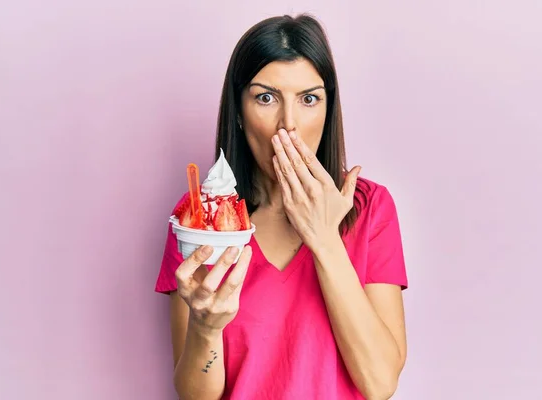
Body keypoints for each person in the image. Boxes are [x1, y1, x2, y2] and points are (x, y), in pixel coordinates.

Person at [155, 13, 409, 400]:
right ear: (238, 112)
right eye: (266, 97)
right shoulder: (200, 219)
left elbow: (379, 384)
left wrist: (324, 239)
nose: (288, 125)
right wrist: (205, 328)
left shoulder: (370, 207)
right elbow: (195, 396)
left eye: (309, 99)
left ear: (328, 110)